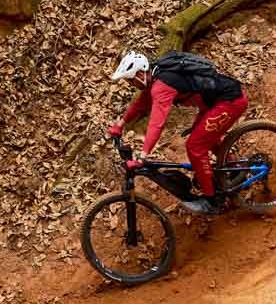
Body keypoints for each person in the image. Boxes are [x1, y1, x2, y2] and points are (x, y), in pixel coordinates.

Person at [105, 50, 249, 216]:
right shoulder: (156, 76)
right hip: (214, 103)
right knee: (202, 137)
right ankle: (235, 169)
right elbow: (140, 104)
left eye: (131, 80)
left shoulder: (161, 86)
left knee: (195, 147)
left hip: (230, 101)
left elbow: (156, 124)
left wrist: (142, 156)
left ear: (139, 74)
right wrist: (120, 124)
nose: (131, 85)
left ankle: (212, 201)